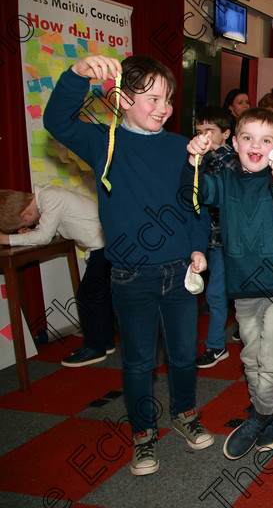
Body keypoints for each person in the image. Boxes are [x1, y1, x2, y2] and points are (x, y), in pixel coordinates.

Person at [44, 55, 213, 476]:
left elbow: (195, 204)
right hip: (130, 275)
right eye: (153, 98)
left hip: (179, 272)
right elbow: (57, 121)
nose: (164, 107)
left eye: (169, 99)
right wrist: (77, 75)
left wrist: (197, 246)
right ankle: (143, 434)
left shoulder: (180, 146)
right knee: (138, 361)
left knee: (182, 356)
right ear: (121, 99)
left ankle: (185, 413)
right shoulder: (103, 142)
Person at [184, 107, 273, 460]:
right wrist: (196, 160)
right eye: (248, 138)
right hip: (244, 284)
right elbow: (194, 193)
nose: (256, 146)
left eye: (266, 140)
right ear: (234, 143)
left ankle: (258, 417)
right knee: (251, 355)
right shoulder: (225, 180)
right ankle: (268, 422)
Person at [0, 187, 115, 367]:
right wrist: (31, 233)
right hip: (103, 245)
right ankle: (104, 342)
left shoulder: (50, 198)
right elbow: (52, 230)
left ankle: (95, 347)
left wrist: (6, 239)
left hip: (104, 246)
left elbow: (44, 236)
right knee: (97, 296)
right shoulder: (48, 196)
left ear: (25, 215)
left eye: (23, 224)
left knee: (87, 296)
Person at [193, 106, 240, 369]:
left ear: (225, 133)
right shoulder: (202, 159)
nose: (204, 136)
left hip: (224, 239)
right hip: (212, 238)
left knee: (216, 294)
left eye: (209, 131)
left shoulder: (227, 162)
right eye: (199, 131)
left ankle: (215, 346)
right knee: (225, 293)